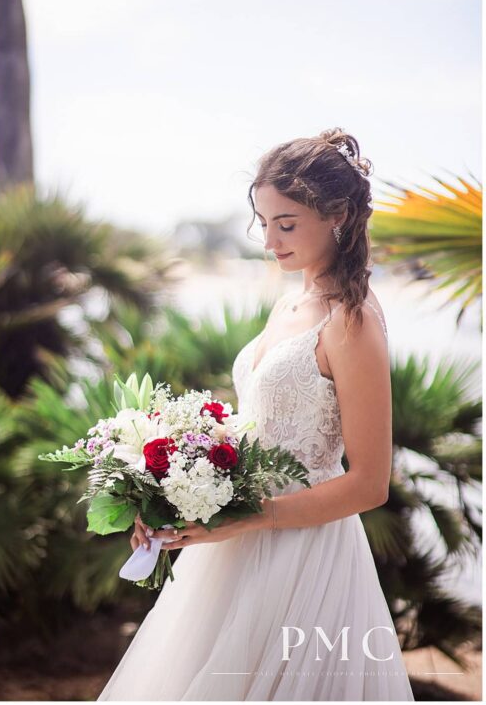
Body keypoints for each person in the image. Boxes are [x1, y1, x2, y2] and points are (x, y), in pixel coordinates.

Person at [98, 129, 414, 700]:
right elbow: (256, 427)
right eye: (263, 222)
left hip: (304, 558)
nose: (269, 242)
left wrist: (245, 519)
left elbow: (369, 484)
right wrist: (169, 497)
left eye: (286, 224)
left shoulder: (353, 320)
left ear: (338, 214)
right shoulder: (290, 302)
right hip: (232, 546)